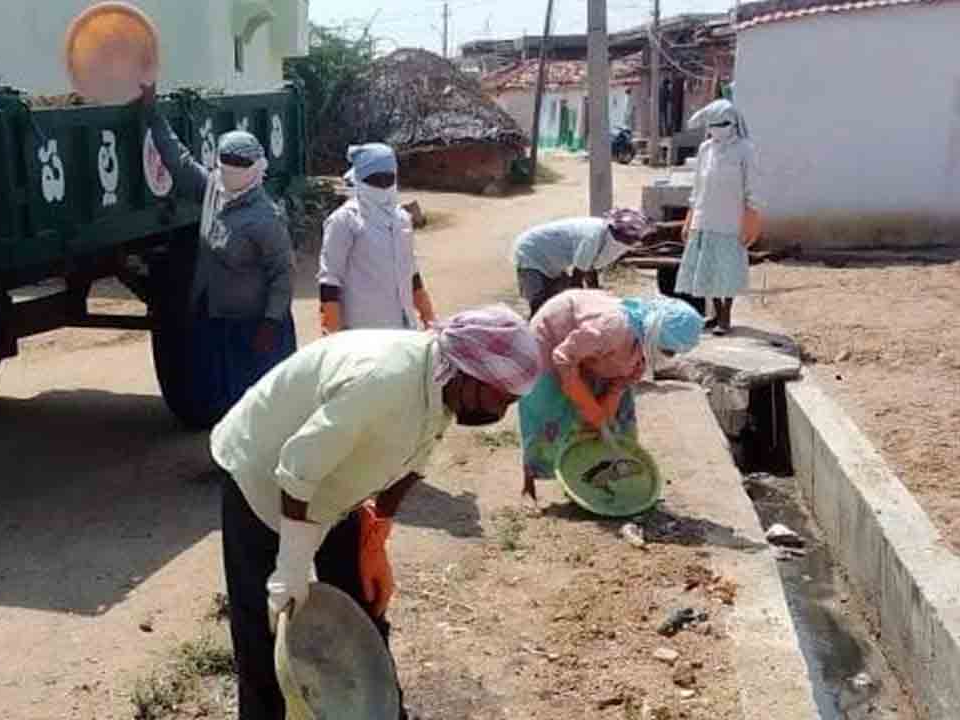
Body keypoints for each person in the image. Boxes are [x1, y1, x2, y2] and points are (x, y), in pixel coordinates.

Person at [212, 306, 541, 719]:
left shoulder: (441, 384)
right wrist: (292, 567)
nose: (500, 413)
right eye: (500, 398)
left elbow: (416, 460)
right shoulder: (383, 382)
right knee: (264, 628)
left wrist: (376, 533)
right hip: (260, 472)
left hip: (332, 487)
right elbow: (296, 470)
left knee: (364, 609)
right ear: (469, 370)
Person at [141, 85, 297, 420]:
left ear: (257, 167)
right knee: (222, 403)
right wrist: (151, 112)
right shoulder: (214, 190)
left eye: (240, 162)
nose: (231, 167)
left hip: (253, 327)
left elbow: (283, 272)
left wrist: (271, 322)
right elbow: (179, 162)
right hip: (217, 321)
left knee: (261, 406)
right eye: (225, 161)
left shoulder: (265, 218)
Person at [517, 291, 703, 501]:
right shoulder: (612, 329)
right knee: (550, 413)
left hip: (593, 354)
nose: (670, 356)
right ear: (655, 331)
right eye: (668, 350)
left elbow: (621, 382)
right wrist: (587, 404)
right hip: (554, 342)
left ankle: (587, 479)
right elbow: (563, 358)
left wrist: (606, 408)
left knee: (613, 423)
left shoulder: (644, 344)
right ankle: (529, 487)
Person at [318, 143, 437, 334]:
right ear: (360, 179)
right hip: (362, 335)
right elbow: (330, 281)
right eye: (374, 180)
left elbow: (412, 273)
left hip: (404, 330)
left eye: (388, 178)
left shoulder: (402, 219)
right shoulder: (345, 221)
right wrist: (332, 335)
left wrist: (429, 317)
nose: (383, 185)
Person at [676, 99, 763, 335]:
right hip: (705, 217)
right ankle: (716, 314)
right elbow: (697, 187)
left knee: (728, 269)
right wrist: (689, 218)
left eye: (721, 124)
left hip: (731, 220)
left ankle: (726, 316)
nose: (717, 129)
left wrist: (752, 219)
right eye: (712, 125)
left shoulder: (745, 149)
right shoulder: (706, 149)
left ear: (733, 123)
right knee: (708, 269)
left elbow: (752, 188)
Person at [510, 208, 655, 318]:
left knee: (554, 300)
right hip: (532, 251)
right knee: (539, 302)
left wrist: (599, 298)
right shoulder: (594, 236)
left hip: (552, 259)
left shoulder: (604, 237)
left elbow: (590, 270)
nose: (633, 243)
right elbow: (577, 280)